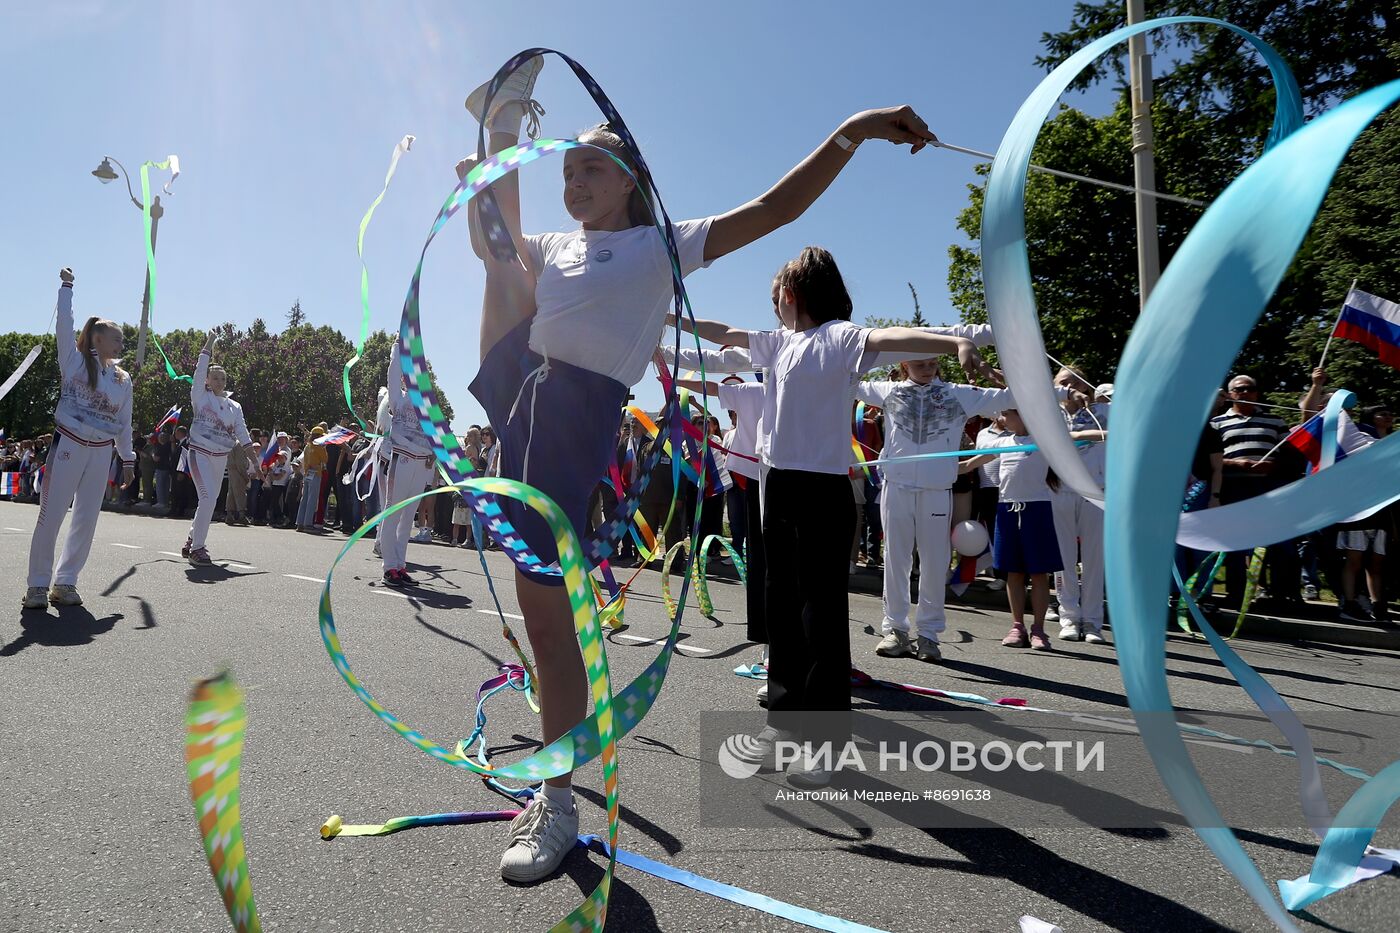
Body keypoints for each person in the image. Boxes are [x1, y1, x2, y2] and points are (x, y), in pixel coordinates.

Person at [457, 54, 943, 882]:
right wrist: (484, 182)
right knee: (503, 255)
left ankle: (560, 802)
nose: (573, 180)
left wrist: (853, 130)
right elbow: (491, 243)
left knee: (551, 626)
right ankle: (500, 123)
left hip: (578, 420)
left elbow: (773, 207)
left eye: (590, 168)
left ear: (630, 179)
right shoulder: (555, 243)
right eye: (564, 167)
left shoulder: (661, 247)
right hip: (521, 403)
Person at [678, 246, 1001, 789]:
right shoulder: (775, 343)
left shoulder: (842, 338)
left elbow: (895, 337)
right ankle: (783, 722)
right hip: (776, 486)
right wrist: (667, 320)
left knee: (820, 609)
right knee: (781, 603)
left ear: (793, 292)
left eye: (777, 292)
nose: (773, 303)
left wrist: (956, 340)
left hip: (823, 486)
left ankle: (824, 742)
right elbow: (724, 333)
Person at [24, 268, 135, 609]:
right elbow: (64, 324)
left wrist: (127, 458)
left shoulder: (122, 379)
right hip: (69, 444)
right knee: (52, 514)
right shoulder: (72, 361)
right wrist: (66, 288)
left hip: (101, 453)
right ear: (97, 339)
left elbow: (124, 422)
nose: (121, 343)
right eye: (116, 338)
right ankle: (38, 586)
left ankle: (66, 582)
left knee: (87, 518)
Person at [182, 334, 256, 565]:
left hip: (220, 458)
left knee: (210, 500)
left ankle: (191, 540)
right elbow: (199, 368)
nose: (219, 382)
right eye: (214, 378)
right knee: (206, 498)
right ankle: (198, 549)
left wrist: (255, 462)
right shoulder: (200, 397)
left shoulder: (234, 406)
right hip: (199, 454)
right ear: (206, 380)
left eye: (222, 378)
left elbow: (243, 434)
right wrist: (208, 343)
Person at [377, 362, 436, 587]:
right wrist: (397, 346)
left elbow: (436, 433)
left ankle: (400, 565)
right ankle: (389, 567)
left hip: (422, 465)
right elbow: (392, 371)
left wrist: (434, 454)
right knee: (393, 515)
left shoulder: (428, 405)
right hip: (401, 459)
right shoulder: (398, 398)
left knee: (407, 519)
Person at [296, 426, 327, 531]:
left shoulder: (307, 446)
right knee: (312, 499)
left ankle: (300, 522)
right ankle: (308, 523)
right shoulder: (319, 447)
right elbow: (325, 459)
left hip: (307, 474)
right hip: (316, 474)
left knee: (304, 498)